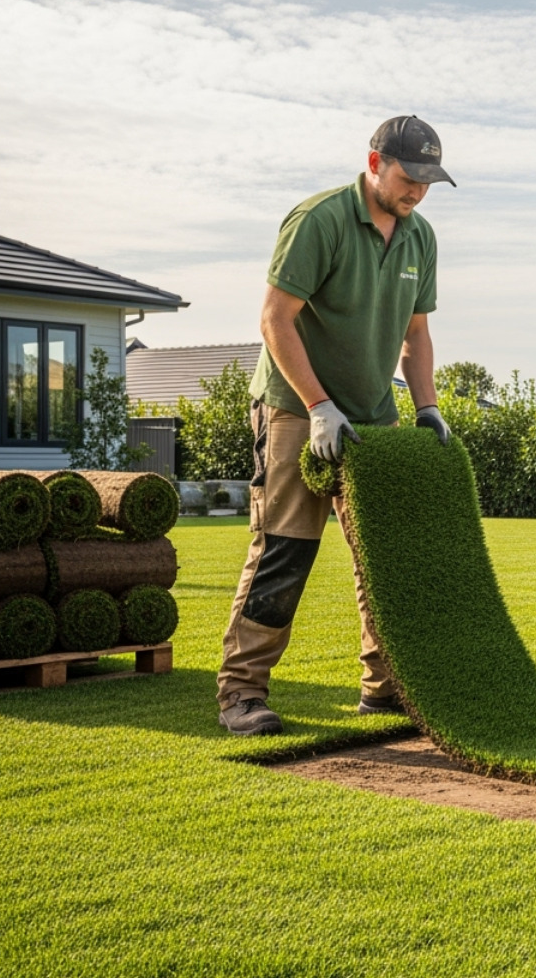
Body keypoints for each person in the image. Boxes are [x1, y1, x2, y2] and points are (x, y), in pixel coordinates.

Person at [217, 115, 457, 736]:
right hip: (297, 409)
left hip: (375, 416)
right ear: (375, 163)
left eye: (429, 181)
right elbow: (275, 319)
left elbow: (416, 334)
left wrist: (427, 407)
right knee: (285, 550)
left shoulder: (420, 238)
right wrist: (320, 405)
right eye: (409, 177)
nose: (418, 191)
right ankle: (242, 692)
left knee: (386, 557)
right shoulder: (319, 220)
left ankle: (384, 688)